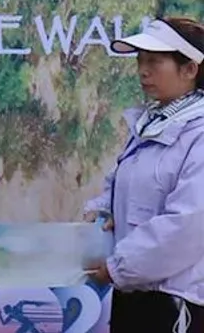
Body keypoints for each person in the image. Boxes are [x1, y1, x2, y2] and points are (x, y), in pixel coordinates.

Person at [84, 17, 204, 330]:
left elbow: (188, 224)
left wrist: (118, 267)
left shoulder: (199, 132)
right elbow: (127, 187)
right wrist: (105, 213)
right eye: (140, 60)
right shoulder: (152, 123)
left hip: (177, 300)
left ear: (190, 69)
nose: (143, 70)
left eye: (154, 61)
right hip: (135, 293)